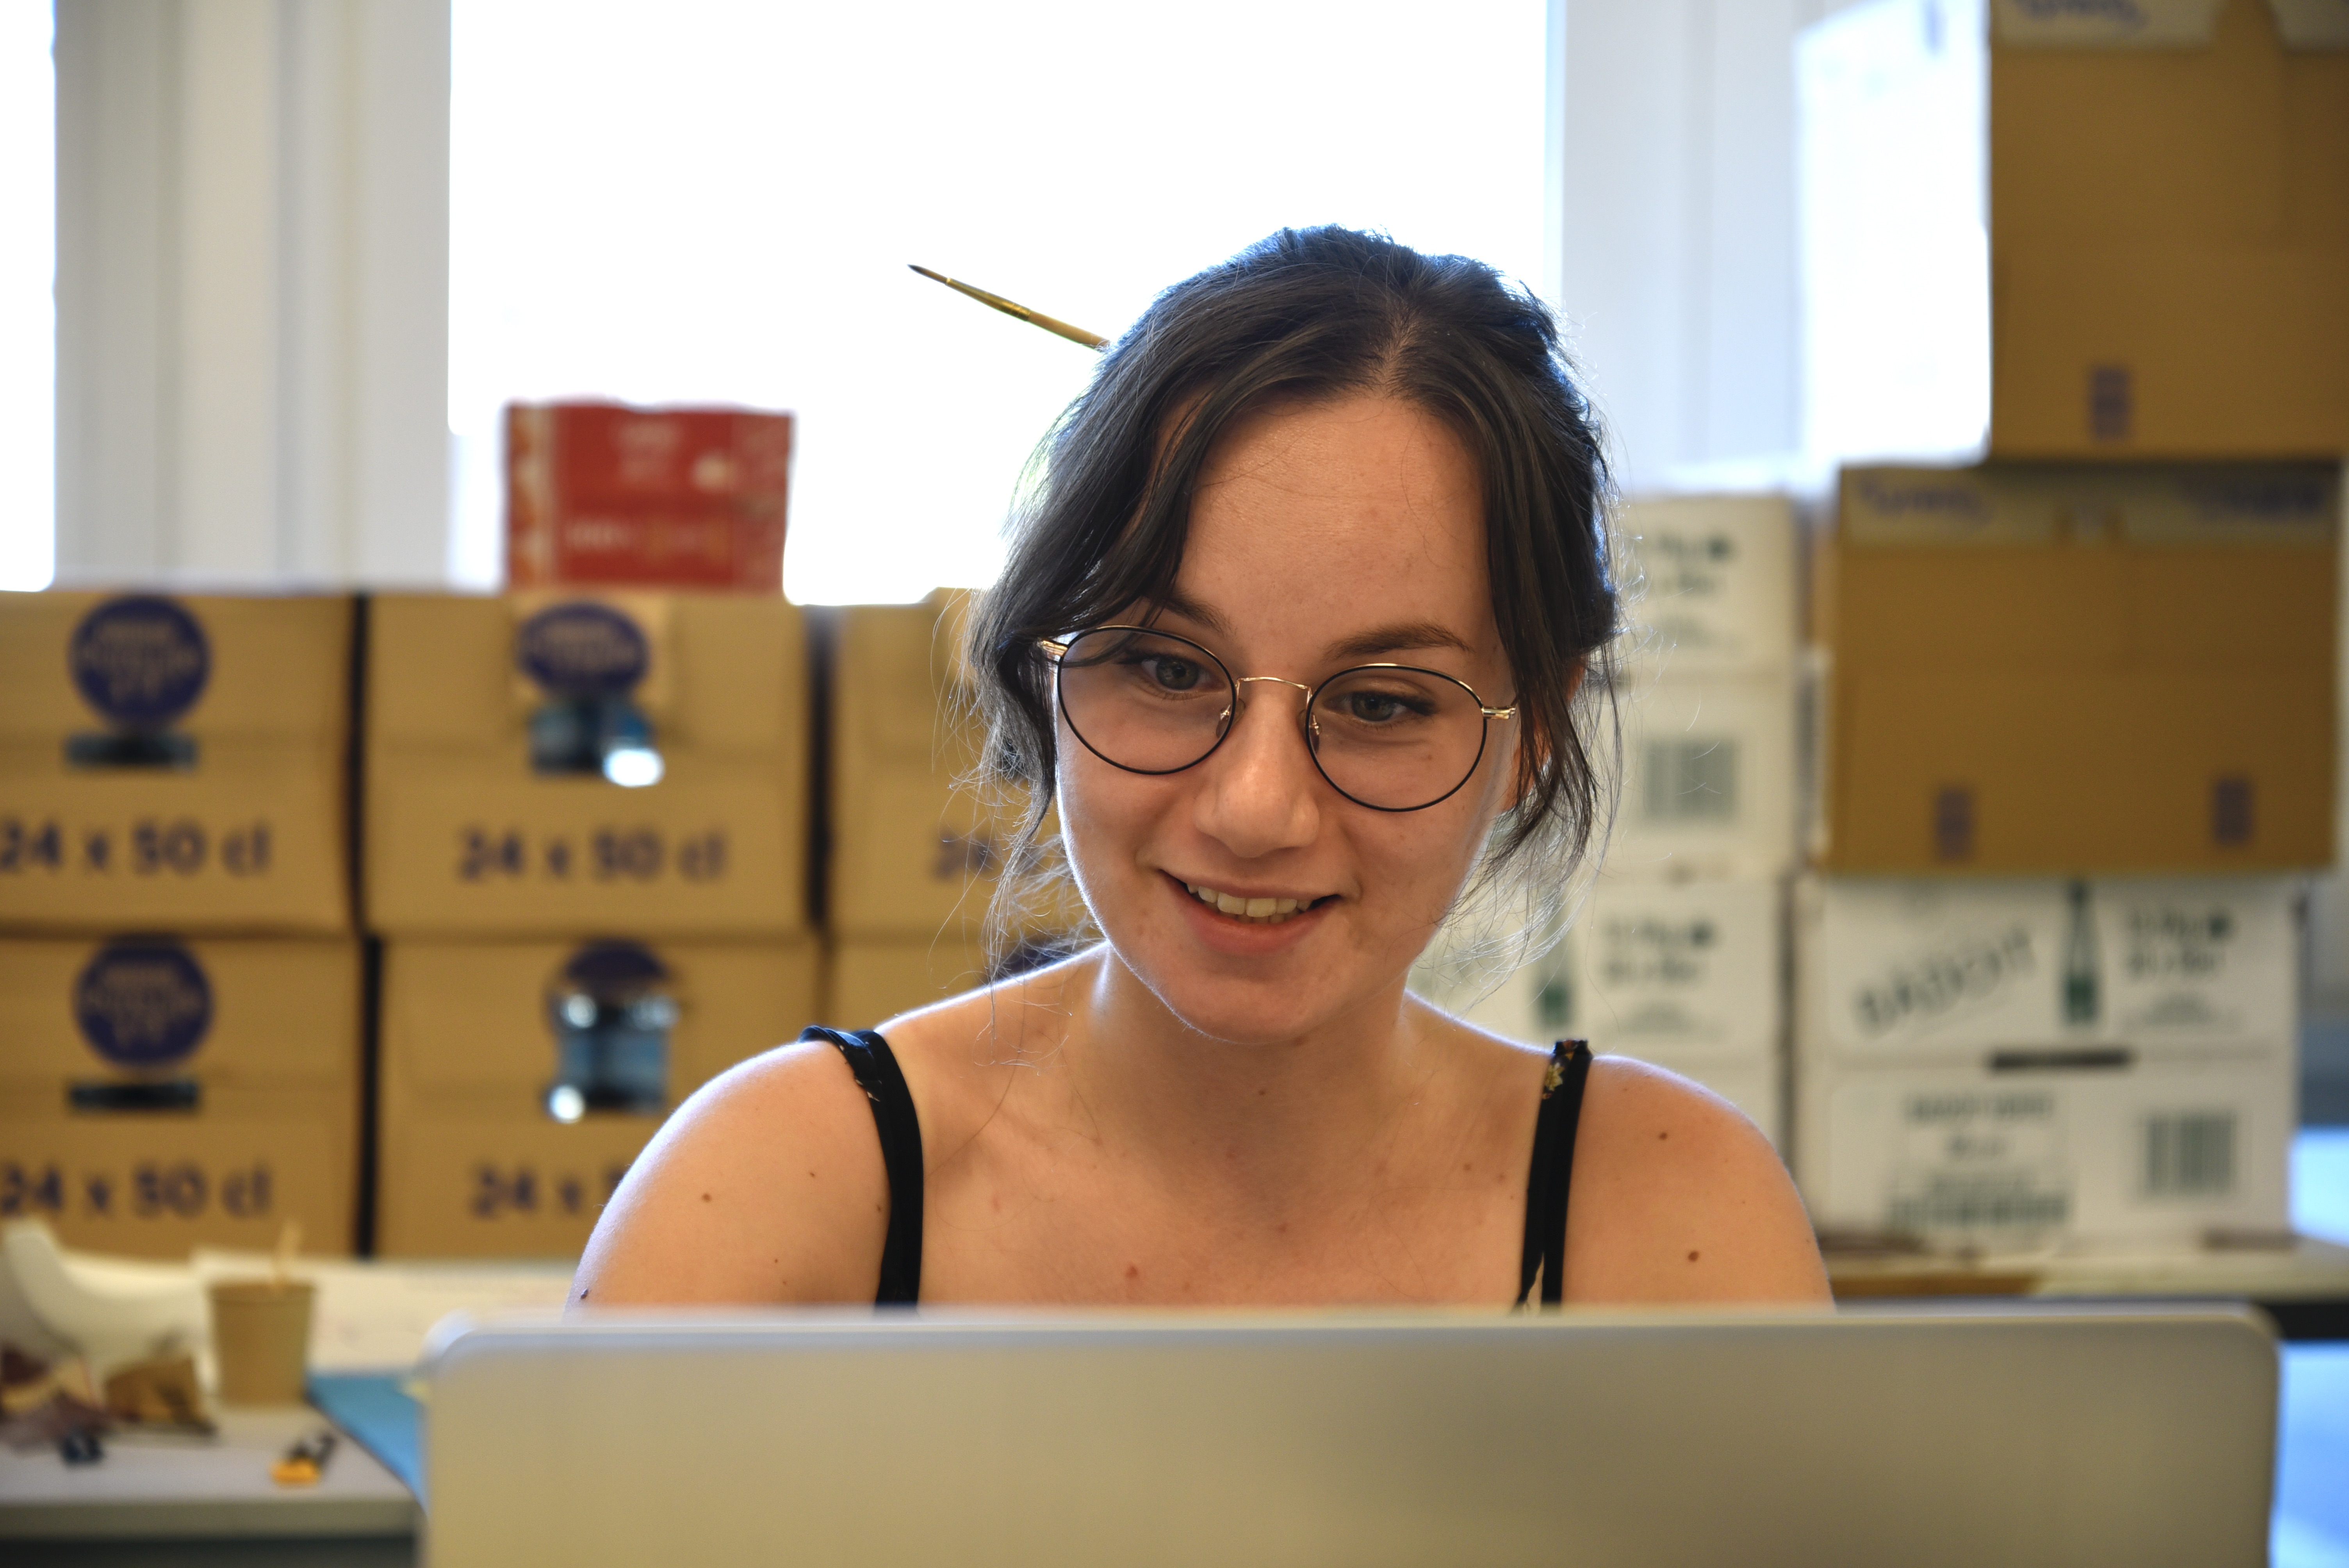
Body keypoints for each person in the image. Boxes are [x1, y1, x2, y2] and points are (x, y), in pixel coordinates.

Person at [572, 227, 1830, 1310]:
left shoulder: (1672, 1226)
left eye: (1381, 702)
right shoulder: (767, 1204)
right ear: (1045, 672)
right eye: (1169, 670)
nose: (1257, 808)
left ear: (1534, 733)